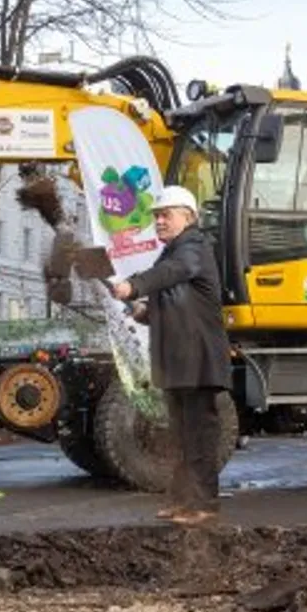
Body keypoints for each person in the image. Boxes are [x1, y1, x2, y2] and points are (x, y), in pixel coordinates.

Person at [108, 185, 232, 526]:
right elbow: (173, 296)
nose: (159, 221)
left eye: (166, 214)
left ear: (188, 217)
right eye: (157, 216)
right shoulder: (172, 253)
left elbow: (173, 274)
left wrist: (134, 285)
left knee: (200, 435)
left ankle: (204, 504)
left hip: (197, 359)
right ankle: (182, 500)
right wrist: (143, 310)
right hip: (180, 360)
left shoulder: (192, 246)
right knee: (180, 435)